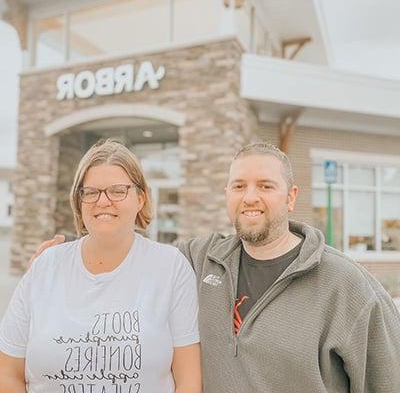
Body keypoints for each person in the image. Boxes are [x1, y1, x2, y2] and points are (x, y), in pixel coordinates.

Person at [16, 142, 400, 392]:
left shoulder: (346, 286)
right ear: (227, 194)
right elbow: (124, 251)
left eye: (266, 186)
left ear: (291, 197)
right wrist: (54, 265)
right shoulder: (198, 260)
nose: (251, 197)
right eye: (239, 186)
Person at [0, 139, 202, 393]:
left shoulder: (171, 268)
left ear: (140, 198)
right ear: (79, 200)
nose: (103, 201)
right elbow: (7, 373)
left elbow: (189, 382)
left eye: (118, 190)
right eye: (91, 192)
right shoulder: (45, 267)